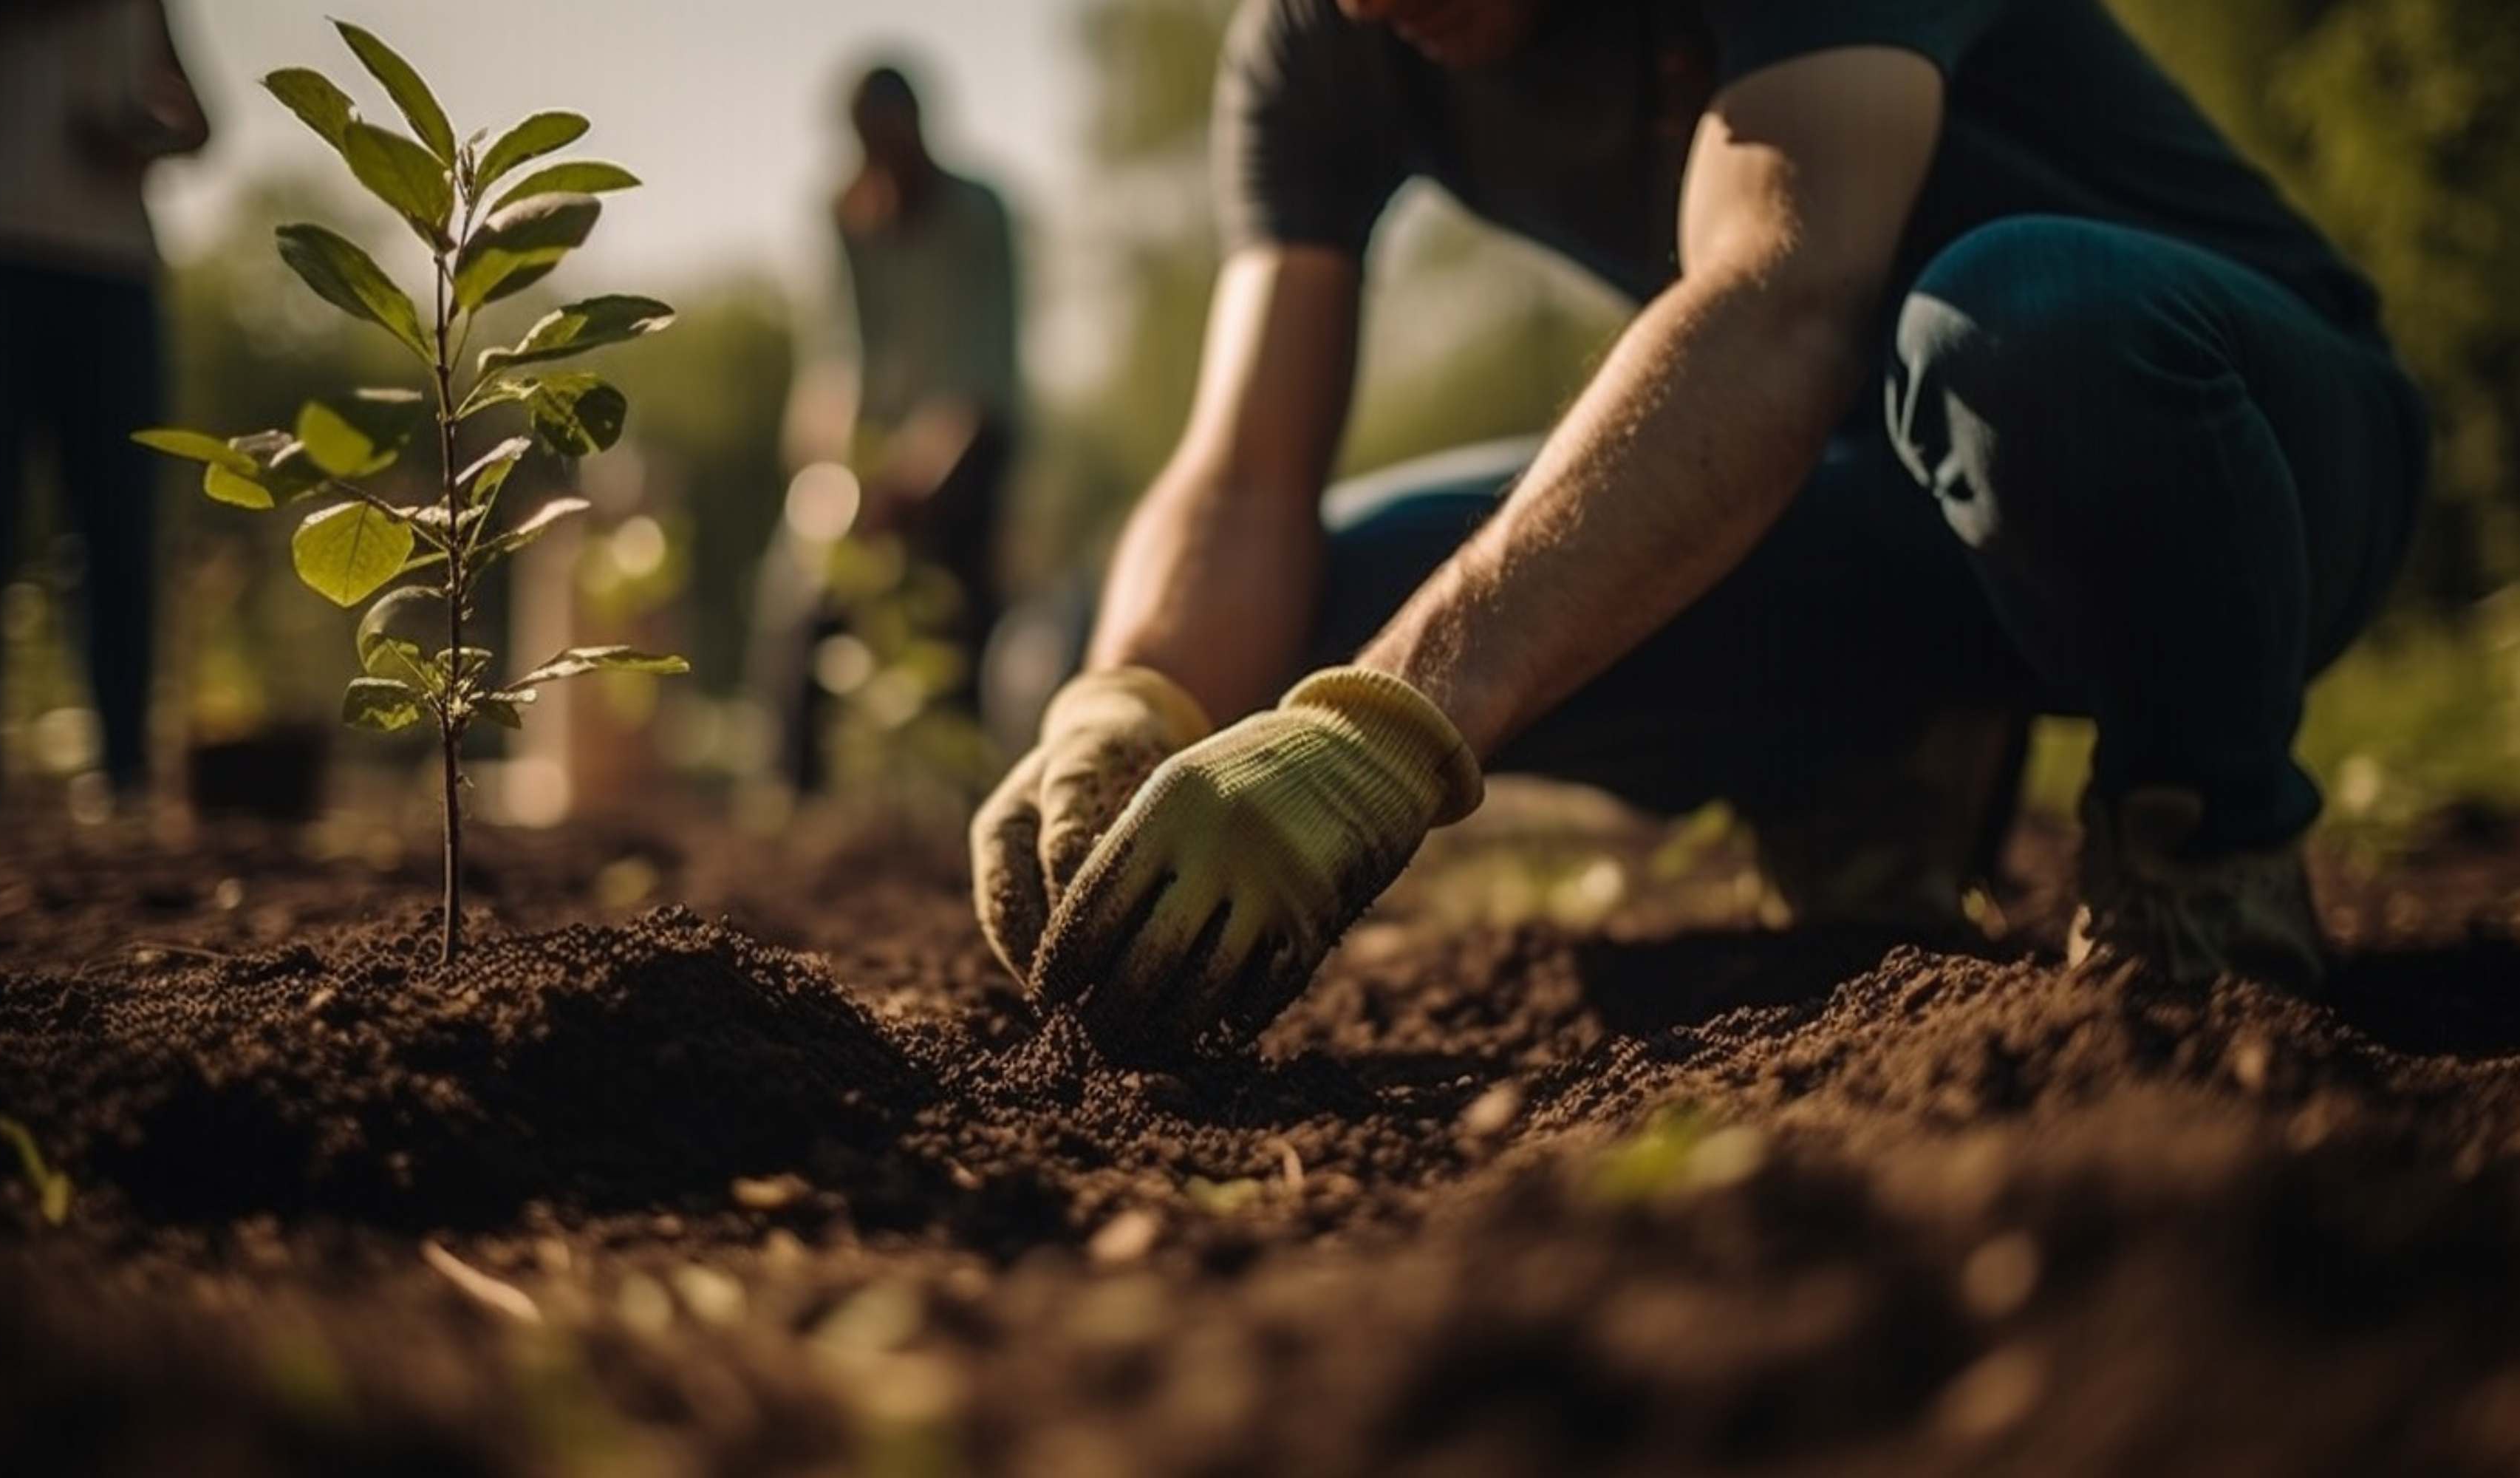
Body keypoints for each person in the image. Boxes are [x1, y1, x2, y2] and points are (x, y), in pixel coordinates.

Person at [971, 0, 2430, 1060]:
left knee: (2010, 321)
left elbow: (1775, 301)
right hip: (1890, 501)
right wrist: (1134, 699)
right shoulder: (1323, 41)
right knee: (1338, 594)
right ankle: (1873, 752)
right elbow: (1241, 480)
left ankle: (2202, 842)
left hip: (2235, 461)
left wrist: (1384, 732)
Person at [0, 0, 208, 822]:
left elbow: (196, 123)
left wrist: (138, 138)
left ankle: (126, 776)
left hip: (109, 270)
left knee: (118, 522)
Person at [772, 61, 1020, 793]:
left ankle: (969, 791)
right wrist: (843, 471)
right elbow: (836, 355)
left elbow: (977, 368)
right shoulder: (842, 218)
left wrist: (918, 474)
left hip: (967, 446)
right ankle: (793, 796)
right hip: (868, 456)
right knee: (804, 597)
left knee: (961, 602)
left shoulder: (978, 214)